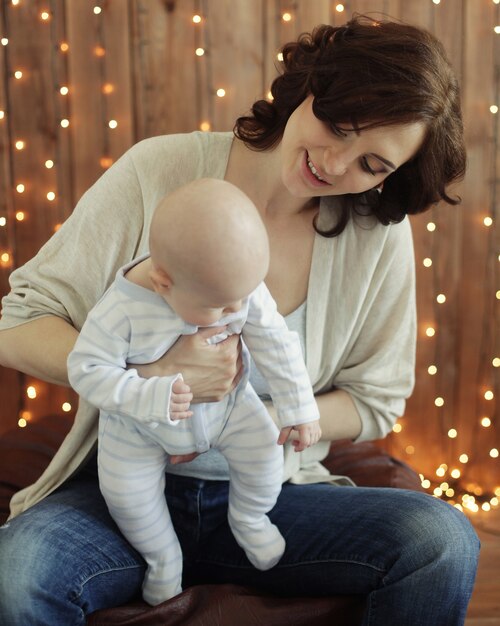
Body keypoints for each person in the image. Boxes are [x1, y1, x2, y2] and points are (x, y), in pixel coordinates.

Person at [0, 14, 479, 626]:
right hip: (120, 490)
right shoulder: (158, 172)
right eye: (338, 126)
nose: (336, 165)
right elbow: (18, 323)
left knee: (442, 541)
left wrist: (267, 421)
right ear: (310, 86)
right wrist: (149, 376)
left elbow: (375, 400)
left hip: (272, 496)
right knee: (17, 573)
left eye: (373, 165)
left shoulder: (374, 236)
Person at [66, 178, 321, 605]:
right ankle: (163, 558)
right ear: (164, 282)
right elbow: (86, 369)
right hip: (138, 430)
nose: (237, 311)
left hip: (228, 409)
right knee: (126, 495)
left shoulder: (237, 288)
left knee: (263, 451)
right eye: (221, 307)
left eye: (244, 296)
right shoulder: (121, 308)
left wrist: (299, 407)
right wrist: (149, 392)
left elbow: (275, 339)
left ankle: (250, 519)